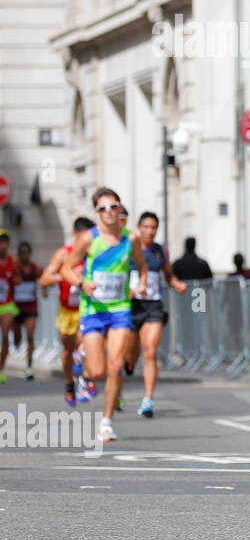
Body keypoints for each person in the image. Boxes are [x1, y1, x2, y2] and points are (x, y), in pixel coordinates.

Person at [63, 188, 149, 443]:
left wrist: (141, 283)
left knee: (115, 365)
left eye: (113, 207)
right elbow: (67, 269)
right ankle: (85, 355)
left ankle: (107, 422)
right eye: (103, 208)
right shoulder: (89, 239)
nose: (109, 212)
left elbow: (141, 266)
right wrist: (81, 284)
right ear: (96, 212)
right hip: (93, 309)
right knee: (98, 372)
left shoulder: (130, 239)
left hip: (120, 308)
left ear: (120, 209)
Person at [125, 212, 187, 418]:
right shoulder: (128, 249)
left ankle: (148, 400)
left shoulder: (161, 251)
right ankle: (130, 363)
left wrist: (176, 283)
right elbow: (118, 275)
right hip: (131, 306)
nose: (150, 231)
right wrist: (130, 290)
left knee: (150, 352)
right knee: (131, 354)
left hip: (153, 306)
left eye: (154, 228)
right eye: (146, 227)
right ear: (138, 228)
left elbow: (168, 275)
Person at [40, 217, 95, 405]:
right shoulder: (64, 253)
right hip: (67, 310)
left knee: (85, 342)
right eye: (83, 236)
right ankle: (68, 383)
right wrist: (67, 276)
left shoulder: (94, 253)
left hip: (86, 307)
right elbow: (44, 279)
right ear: (75, 235)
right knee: (68, 350)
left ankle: (86, 379)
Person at [12, 242, 42, 380]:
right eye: (22, 252)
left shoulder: (35, 268)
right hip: (16, 307)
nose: (25, 255)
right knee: (17, 335)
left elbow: (44, 278)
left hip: (31, 306)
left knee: (30, 335)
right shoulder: (14, 267)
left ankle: (29, 366)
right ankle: (16, 342)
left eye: (27, 252)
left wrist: (46, 289)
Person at [0, 231, 16, 384]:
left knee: (5, 335)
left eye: (4, 241)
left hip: (7, 304)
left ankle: (1, 368)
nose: (2, 245)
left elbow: (17, 278)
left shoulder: (12, 261)